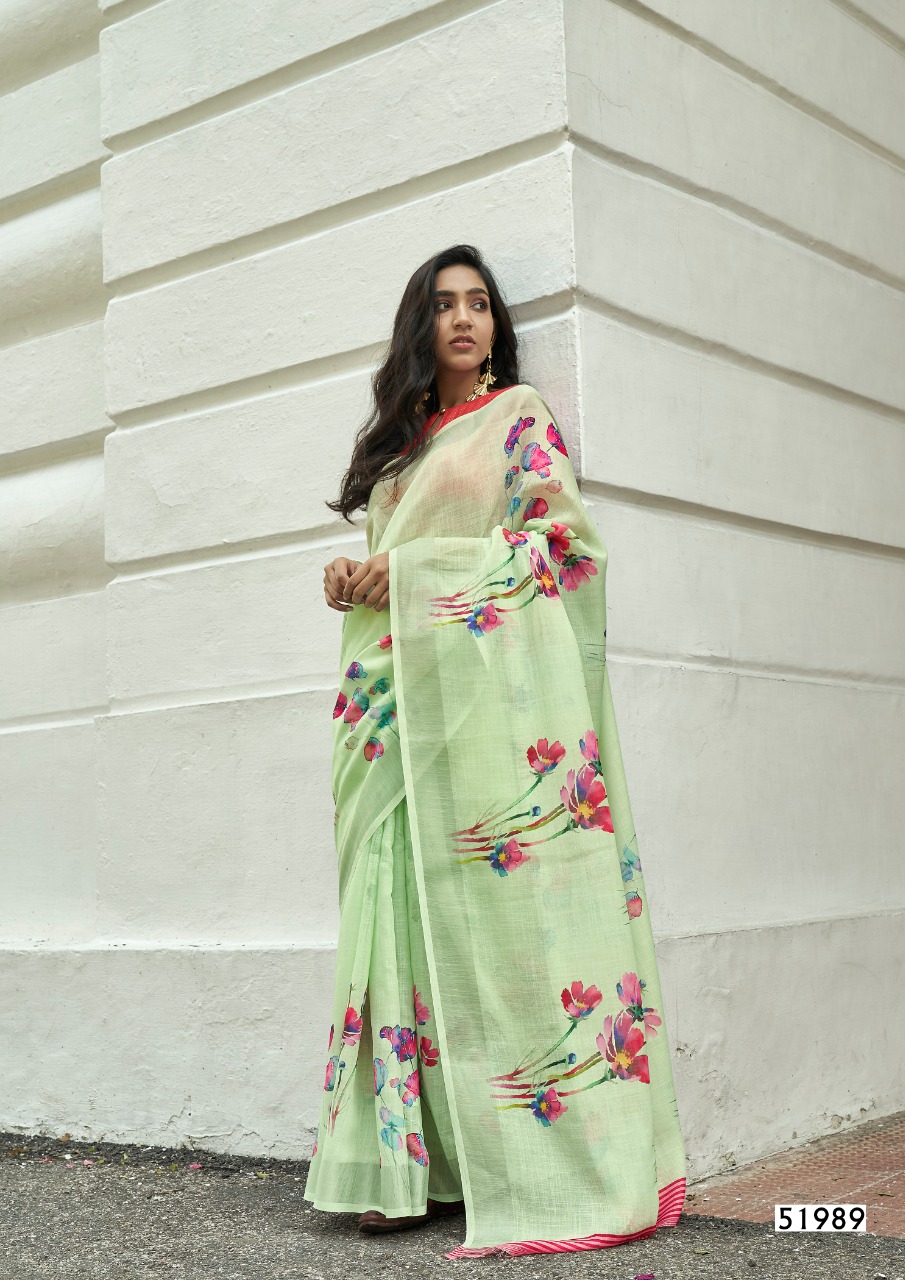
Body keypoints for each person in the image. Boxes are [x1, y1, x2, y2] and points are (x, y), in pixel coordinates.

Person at [303, 244, 687, 1259]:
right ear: (420, 327)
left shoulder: (518, 420)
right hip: (385, 703)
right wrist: (355, 576)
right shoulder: (397, 455)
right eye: (444, 305)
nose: (464, 319)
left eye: (479, 303)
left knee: (497, 924)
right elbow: (389, 564)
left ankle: (515, 1161)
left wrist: (412, 572)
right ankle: (399, 1162)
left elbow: (561, 551)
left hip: (473, 708)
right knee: (388, 911)